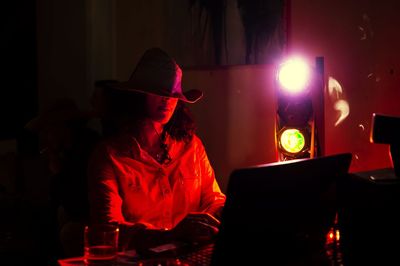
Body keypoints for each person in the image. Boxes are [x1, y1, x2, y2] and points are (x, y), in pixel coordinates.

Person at [88, 47, 226, 251]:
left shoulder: (191, 146)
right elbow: (108, 229)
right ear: (136, 96)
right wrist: (169, 236)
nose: (167, 100)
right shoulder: (109, 155)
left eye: (173, 94)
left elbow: (213, 198)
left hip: (189, 255)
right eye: (158, 93)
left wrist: (221, 214)